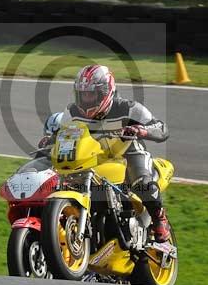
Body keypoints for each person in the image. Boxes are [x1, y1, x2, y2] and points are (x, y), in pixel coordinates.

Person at [61, 65, 171, 243]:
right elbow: (62, 134)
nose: (86, 99)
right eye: (83, 94)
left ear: (106, 92)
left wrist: (142, 130)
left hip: (129, 153)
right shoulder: (72, 112)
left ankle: (159, 219)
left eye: (91, 94)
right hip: (95, 158)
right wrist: (50, 141)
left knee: (142, 184)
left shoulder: (128, 108)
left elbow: (162, 129)